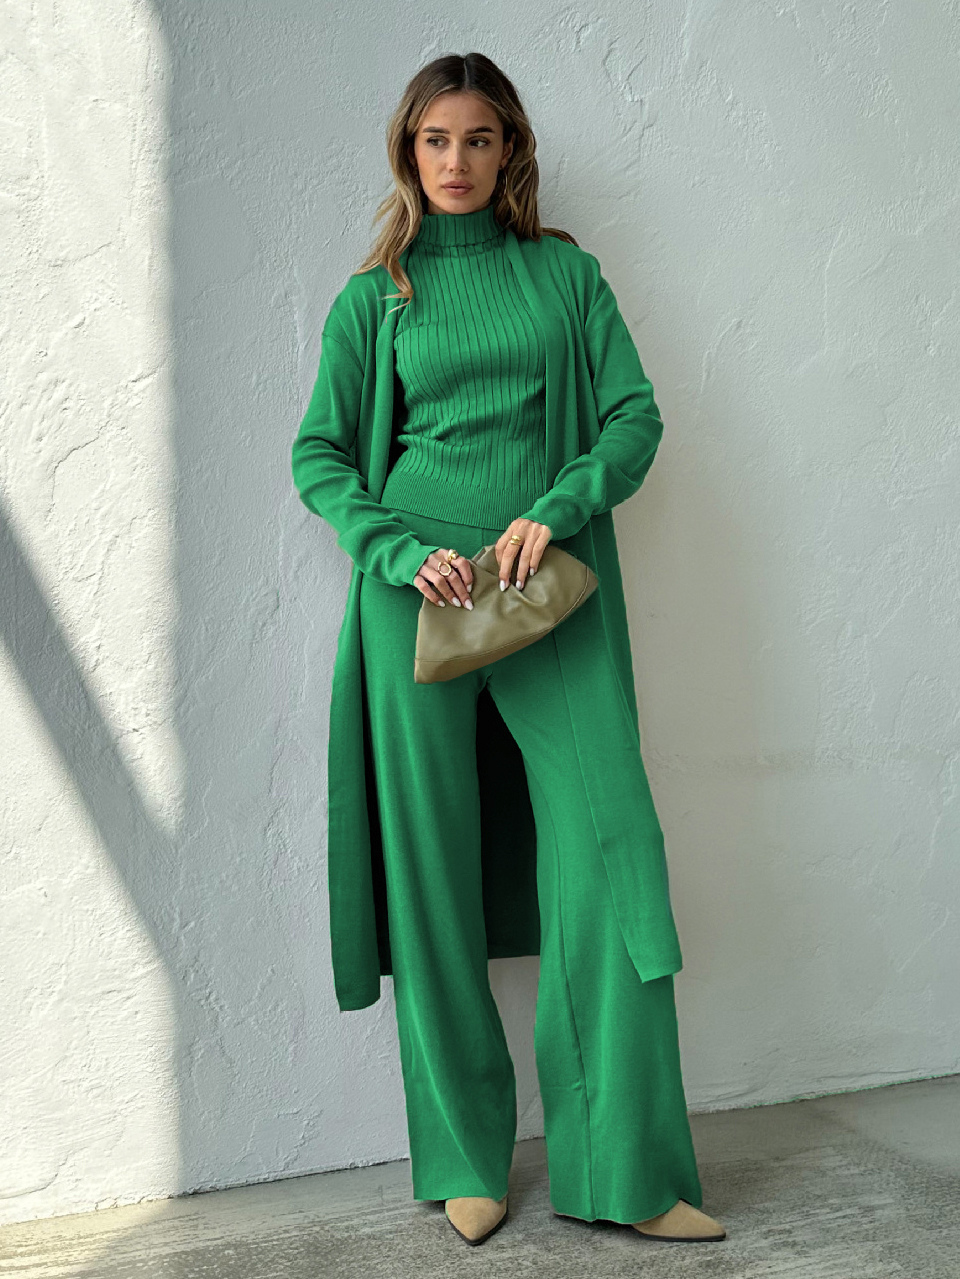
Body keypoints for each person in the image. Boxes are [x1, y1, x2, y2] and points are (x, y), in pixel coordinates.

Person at [291, 51, 727, 1249]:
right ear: (408, 151)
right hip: (416, 599)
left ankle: (627, 1169)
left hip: (549, 587)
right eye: (436, 140)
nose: (457, 161)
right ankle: (463, 1156)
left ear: (509, 151)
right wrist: (392, 550)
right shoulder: (375, 298)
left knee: (609, 849)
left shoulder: (565, 276)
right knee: (429, 871)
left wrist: (563, 503)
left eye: (478, 139)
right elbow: (319, 453)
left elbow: (634, 415)